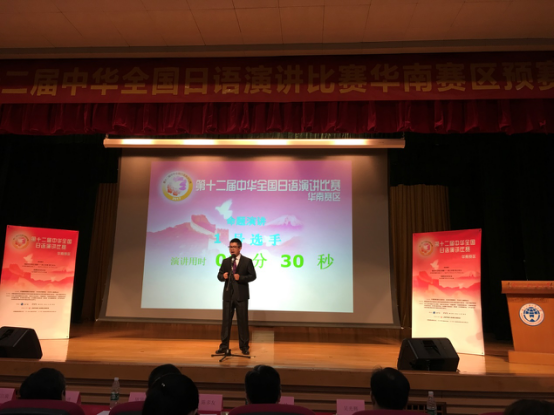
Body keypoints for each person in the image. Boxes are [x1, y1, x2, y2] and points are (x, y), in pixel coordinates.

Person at [216, 238, 257, 355]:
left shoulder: (247, 261)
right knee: (226, 322)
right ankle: (224, 346)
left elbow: (253, 276)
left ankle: (244, 346)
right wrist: (223, 276)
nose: (232, 249)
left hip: (241, 296)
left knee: (242, 322)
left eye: (234, 247)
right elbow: (219, 275)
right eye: (230, 247)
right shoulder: (226, 261)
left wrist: (241, 278)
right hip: (228, 296)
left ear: (240, 248)